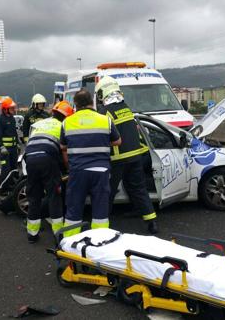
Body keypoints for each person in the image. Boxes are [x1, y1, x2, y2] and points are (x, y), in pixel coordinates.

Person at [95, 76, 159, 234]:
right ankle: (152, 222)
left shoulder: (104, 112)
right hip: (135, 157)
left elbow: (104, 136)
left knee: (107, 192)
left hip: (117, 159)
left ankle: (102, 227)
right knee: (139, 189)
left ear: (102, 94)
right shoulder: (126, 107)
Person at [60, 89, 121, 237]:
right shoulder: (105, 120)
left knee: (74, 209)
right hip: (100, 171)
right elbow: (118, 141)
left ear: (75, 104)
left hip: (78, 171)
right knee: (100, 211)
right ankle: (99, 243)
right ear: (92, 102)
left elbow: (63, 147)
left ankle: (70, 245)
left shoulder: (67, 122)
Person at [24, 101, 74, 243]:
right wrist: (67, 168)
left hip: (30, 158)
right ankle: (58, 235)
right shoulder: (63, 126)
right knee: (54, 196)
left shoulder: (42, 123)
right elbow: (64, 151)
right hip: (46, 158)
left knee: (34, 197)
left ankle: (32, 234)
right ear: (66, 116)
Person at [0, 97, 19, 195]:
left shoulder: (12, 119)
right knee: (6, 169)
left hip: (13, 149)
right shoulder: (0, 119)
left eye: (13, 108)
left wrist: (17, 144)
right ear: (5, 109)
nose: (13, 110)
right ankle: (3, 189)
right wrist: (1, 147)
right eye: (11, 108)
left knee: (14, 168)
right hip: (5, 150)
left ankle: (11, 187)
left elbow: (14, 133)